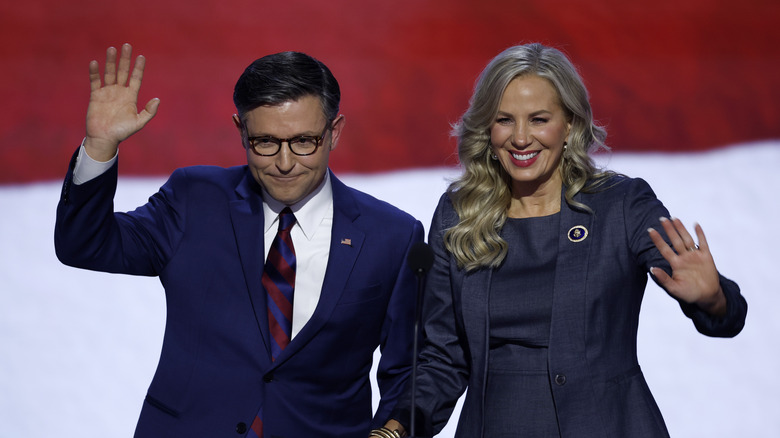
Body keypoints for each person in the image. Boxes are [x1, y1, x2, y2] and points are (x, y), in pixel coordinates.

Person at [54, 43, 424, 438]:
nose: (284, 163)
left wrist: (393, 432)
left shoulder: (393, 236)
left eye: (303, 141)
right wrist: (100, 148)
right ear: (240, 130)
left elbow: (410, 369)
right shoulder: (194, 200)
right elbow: (85, 244)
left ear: (334, 132)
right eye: (265, 142)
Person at [380, 43, 747, 437]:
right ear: (488, 128)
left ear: (570, 124)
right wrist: (395, 429)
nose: (521, 139)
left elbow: (725, 315)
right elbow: (442, 359)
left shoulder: (620, 205)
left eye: (539, 119)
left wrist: (713, 299)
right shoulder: (458, 213)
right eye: (505, 120)